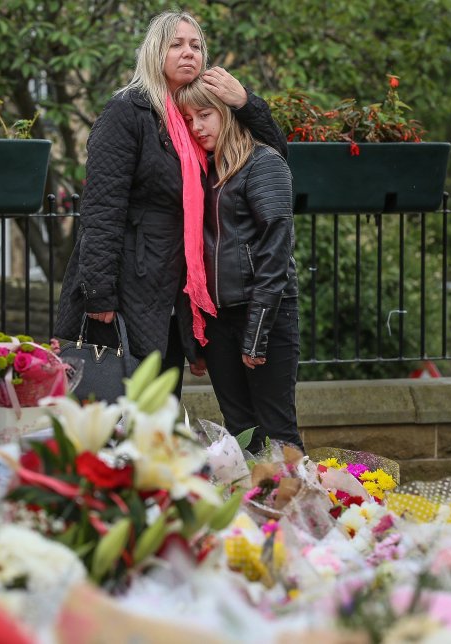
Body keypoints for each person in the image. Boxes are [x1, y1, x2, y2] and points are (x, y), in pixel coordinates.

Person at [54, 10, 288, 398]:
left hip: (173, 288)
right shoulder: (128, 112)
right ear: (154, 53)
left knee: (159, 405)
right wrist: (99, 292)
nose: (188, 53)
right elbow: (101, 208)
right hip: (131, 281)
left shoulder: (195, 116)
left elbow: (272, 158)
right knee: (120, 406)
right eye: (176, 44)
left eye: (196, 45)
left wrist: (245, 103)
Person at [174, 78, 302, 452]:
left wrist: (256, 334)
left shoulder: (264, 163)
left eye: (205, 114)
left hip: (264, 314)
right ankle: (251, 510)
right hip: (218, 320)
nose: (196, 126)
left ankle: (300, 511)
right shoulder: (201, 171)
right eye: (189, 118)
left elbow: (274, 255)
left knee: (278, 433)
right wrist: (194, 339)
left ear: (228, 113)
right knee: (241, 433)